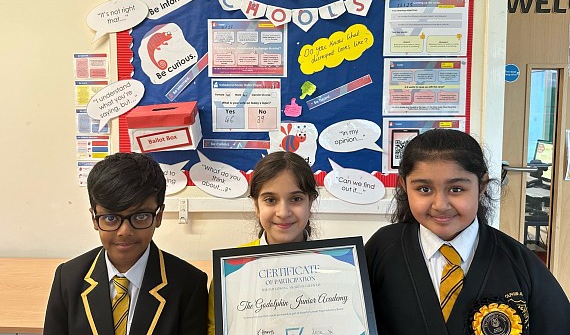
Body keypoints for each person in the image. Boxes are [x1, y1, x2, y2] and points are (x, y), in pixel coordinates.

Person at [365, 129, 570, 334]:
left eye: (456, 189)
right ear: (404, 186)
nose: (440, 205)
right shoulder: (382, 250)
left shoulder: (520, 264)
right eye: (424, 189)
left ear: (481, 187)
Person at [44, 152, 208, 335]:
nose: (124, 231)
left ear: (159, 216)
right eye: (111, 218)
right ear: (94, 218)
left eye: (140, 216)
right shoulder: (68, 278)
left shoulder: (189, 284)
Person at [207, 151, 319, 335]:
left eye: (296, 199)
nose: (283, 212)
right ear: (256, 206)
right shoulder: (230, 269)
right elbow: (214, 329)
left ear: (310, 202)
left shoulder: (336, 266)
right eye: (270, 200)